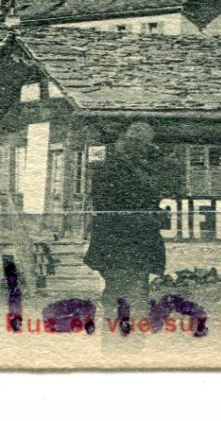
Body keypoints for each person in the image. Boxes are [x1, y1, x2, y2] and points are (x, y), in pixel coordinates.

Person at [83, 124, 168, 336]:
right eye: (143, 144)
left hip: (129, 243)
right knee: (126, 294)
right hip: (123, 241)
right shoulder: (115, 167)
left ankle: (126, 341)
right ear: (134, 143)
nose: (146, 150)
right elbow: (118, 203)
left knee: (130, 292)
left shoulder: (130, 164)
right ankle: (122, 343)